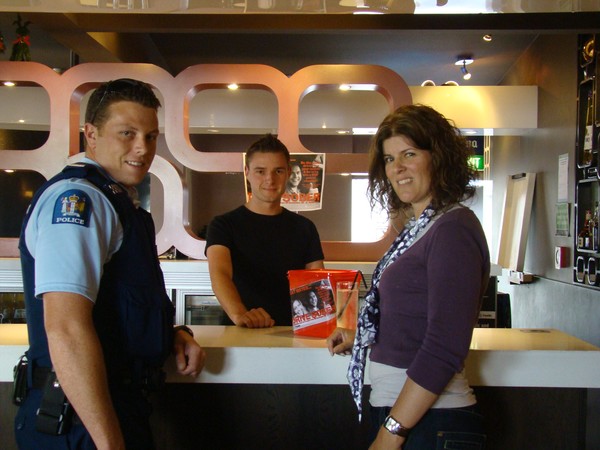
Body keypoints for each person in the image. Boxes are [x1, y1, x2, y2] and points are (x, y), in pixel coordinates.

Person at [15, 78, 206, 450]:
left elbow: (123, 303)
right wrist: (110, 443)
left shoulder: (115, 199)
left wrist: (173, 335)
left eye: (150, 136)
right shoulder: (78, 201)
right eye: (127, 133)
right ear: (91, 135)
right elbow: (66, 329)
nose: (142, 148)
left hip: (112, 409)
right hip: (80, 420)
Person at [327, 104, 490, 449]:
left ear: (438, 157)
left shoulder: (453, 229)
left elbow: (445, 346)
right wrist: (361, 334)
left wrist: (391, 433)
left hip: (431, 423)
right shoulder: (422, 227)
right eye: (389, 159)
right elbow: (415, 318)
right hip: (412, 420)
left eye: (409, 154)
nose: (397, 168)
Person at [205, 134, 325, 328]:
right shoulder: (223, 225)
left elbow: (316, 282)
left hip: (293, 333)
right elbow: (220, 273)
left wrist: (321, 325)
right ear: (247, 172)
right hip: (240, 331)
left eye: (278, 171)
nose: (270, 179)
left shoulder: (305, 228)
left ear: (287, 173)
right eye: (260, 171)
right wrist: (240, 314)